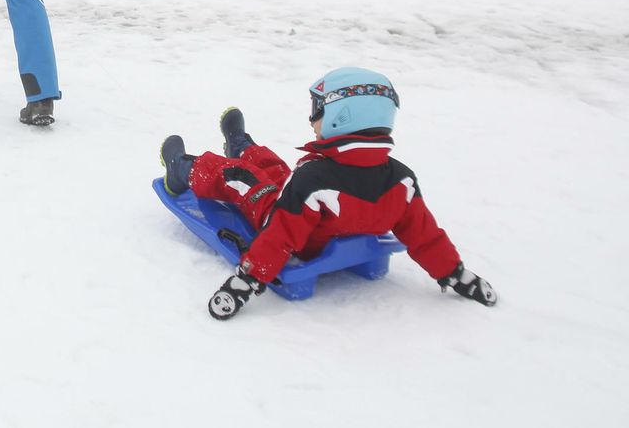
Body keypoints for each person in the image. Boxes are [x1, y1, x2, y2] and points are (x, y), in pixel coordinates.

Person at [159, 67, 498, 320]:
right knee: (279, 171)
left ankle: (184, 169)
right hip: (317, 216)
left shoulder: (315, 179)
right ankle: (241, 144)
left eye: (317, 110)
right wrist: (455, 274)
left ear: (341, 117)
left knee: (243, 178)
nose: (312, 120)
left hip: (293, 230)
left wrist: (247, 281)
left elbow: (278, 236)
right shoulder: (400, 179)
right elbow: (426, 237)